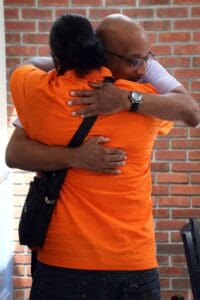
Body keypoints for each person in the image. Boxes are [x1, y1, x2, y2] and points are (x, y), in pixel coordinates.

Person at [9, 13, 175, 300]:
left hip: (63, 258)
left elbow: (14, 152)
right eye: (135, 60)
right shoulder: (143, 99)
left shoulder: (38, 92)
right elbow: (184, 109)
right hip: (133, 257)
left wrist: (73, 156)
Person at [6, 14, 200, 174]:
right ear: (102, 55)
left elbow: (192, 113)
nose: (142, 70)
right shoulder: (63, 85)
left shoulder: (146, 69)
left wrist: (127, 99)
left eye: (147, 58)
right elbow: (14, 153)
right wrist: (74, 157)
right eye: (132, 62)